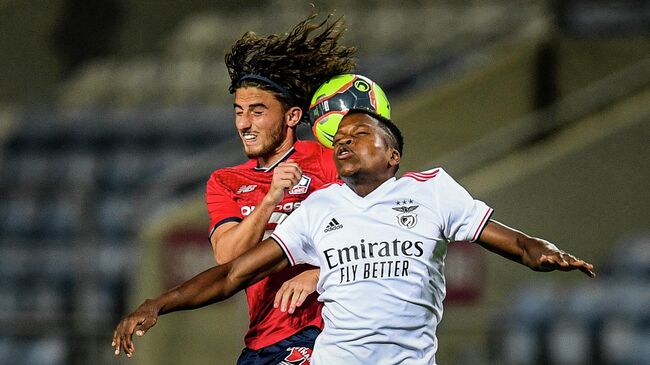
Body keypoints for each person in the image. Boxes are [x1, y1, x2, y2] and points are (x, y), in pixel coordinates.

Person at [112, 109, 596, 364]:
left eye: (359, 134)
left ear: (392, 156)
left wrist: (542, 252)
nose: (343, 140)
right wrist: (159, 302)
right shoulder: (318, 208)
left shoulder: (433, 191)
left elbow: (507, 239)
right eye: (339, 137)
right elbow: (233, 273)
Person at [203, 13, 355, 365]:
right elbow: (228, 258)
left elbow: (373, 230)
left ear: (291, 117)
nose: (244, 123)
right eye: (239, 112)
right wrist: (272, 197)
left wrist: (319, 274)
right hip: (264, 339)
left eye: (257, 112)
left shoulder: (330, 161)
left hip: (328, 331)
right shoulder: (224, 181)